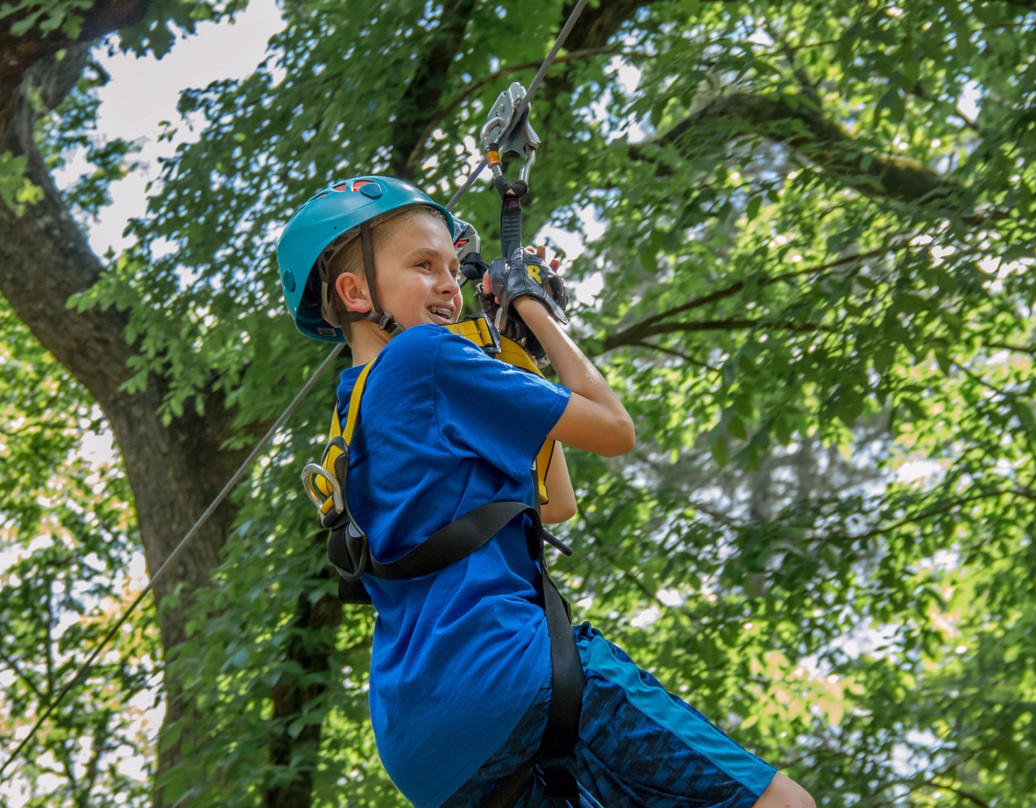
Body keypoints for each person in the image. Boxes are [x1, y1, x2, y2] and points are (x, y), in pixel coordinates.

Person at [277, 175, 815, 808]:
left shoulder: (356, 416)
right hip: (508, 669)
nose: (451, 284)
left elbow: (553, 501)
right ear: (356, 289)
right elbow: (615, 429)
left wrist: (518, 364)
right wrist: (535, 309)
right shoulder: (424, 355)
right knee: (783, 804)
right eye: (424, 265)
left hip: (427, 749)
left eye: (454, 266)